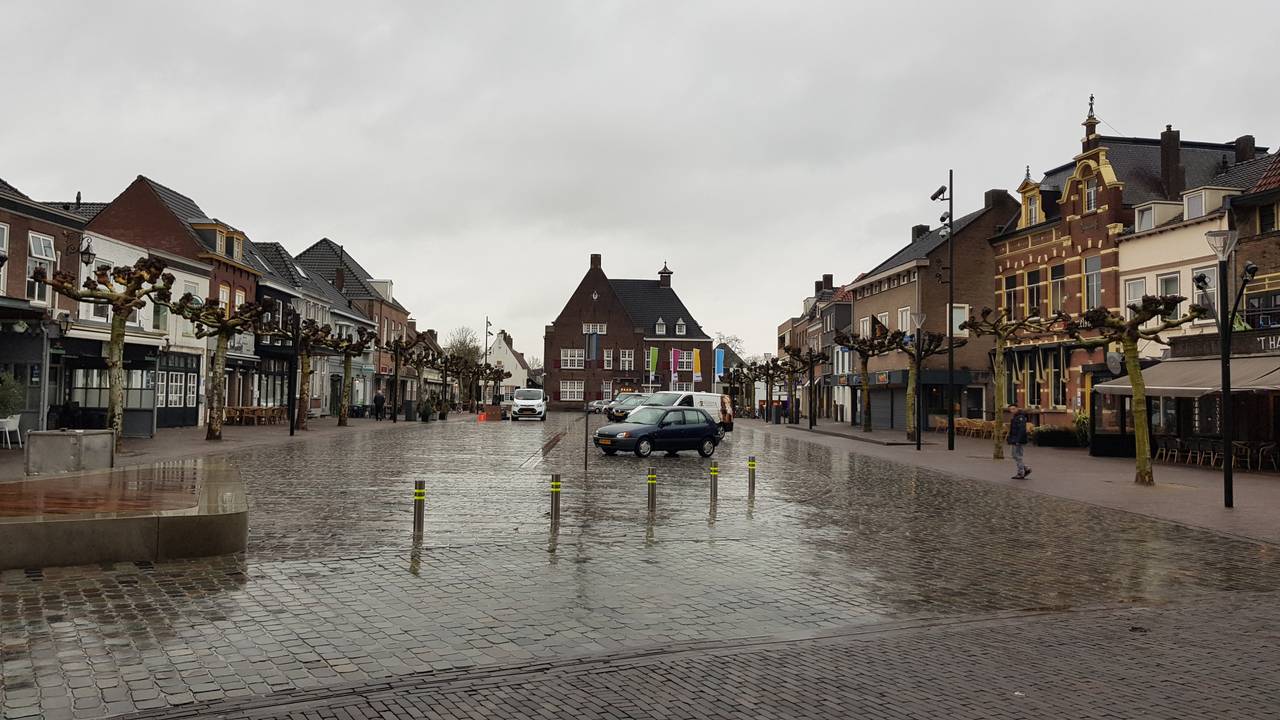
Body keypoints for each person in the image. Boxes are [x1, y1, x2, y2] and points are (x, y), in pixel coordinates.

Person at [1006, 404, 1032, 479]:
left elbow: (1021, 429)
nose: (1012, 411)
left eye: (1013, 409)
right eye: (1011, 409)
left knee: (1017, 456)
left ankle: (1021, 472)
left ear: (1017, 408)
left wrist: (1018, 440)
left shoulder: (1020, 417)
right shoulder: (1015, 417)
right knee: (1015, 455)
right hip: (1014, 439)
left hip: (1017, 440)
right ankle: (1026, 468)